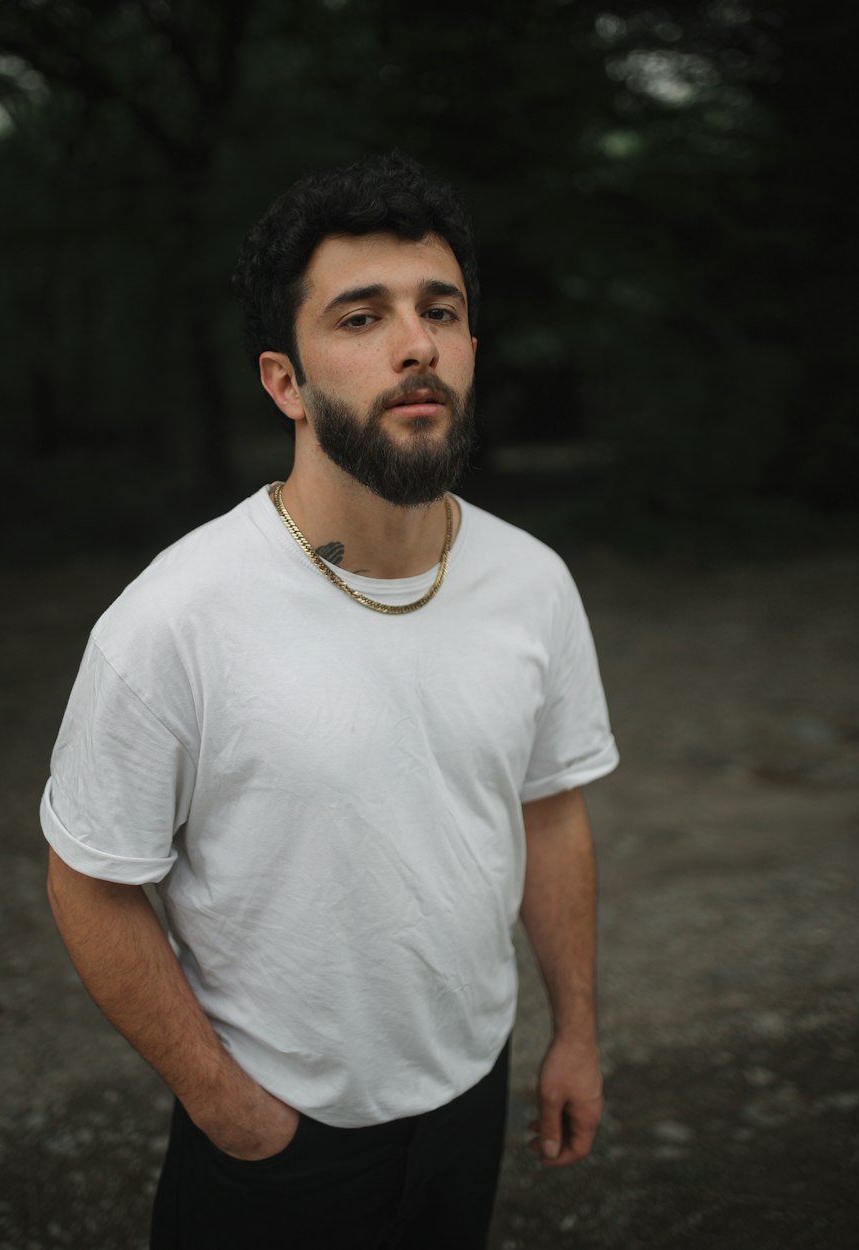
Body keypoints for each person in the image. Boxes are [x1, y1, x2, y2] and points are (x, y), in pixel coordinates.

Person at [40, 152, 619, 1250]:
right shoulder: (175, 617)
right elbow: (88, 881)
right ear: (284, 381)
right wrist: (231, 1110)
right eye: (360, 316)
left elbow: (548, 807)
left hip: (470, 1090)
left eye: (438, 310)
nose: (416, 343)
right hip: (278, 1136)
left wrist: (575, 1029)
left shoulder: (531, 580)